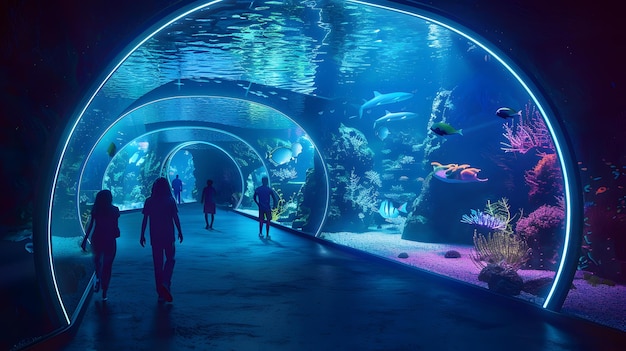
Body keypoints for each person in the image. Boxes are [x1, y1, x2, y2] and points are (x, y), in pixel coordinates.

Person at [140, 177, 183, 303]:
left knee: (157, 264)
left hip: (155, 236)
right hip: (168, 234)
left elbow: (145, 219)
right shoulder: (170, 200)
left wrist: (142, 234)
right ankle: (165, 282)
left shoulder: (149, 201)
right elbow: (175, 217)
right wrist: (180, 231)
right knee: (170, 259)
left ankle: (160, 292)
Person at [81, 189, 120, 301]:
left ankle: (98, 277)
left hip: (97, 238)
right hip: (109, 239)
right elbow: (115, 226)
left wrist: (85, 240)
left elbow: (90, 226)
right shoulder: (115, 210)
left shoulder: (96, 210)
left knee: (97, 260)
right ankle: (105, 291)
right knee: (108, 266)